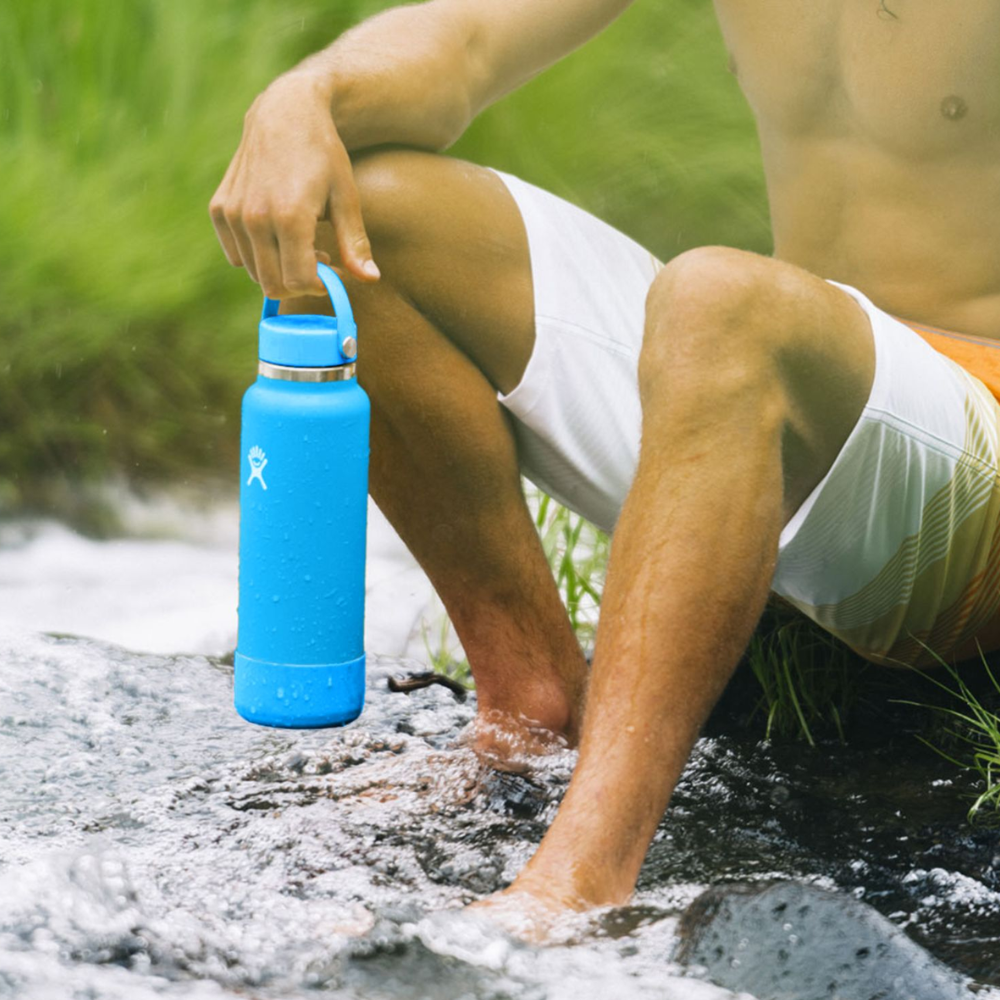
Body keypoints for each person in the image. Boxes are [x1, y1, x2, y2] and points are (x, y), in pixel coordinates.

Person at [210, 0, 1000, 933]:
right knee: (362, 215)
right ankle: (528, 711)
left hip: (973, 439)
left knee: (720, 298)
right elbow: (466, 39)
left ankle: (583, 875)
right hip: (815, 390)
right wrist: (307, 93)